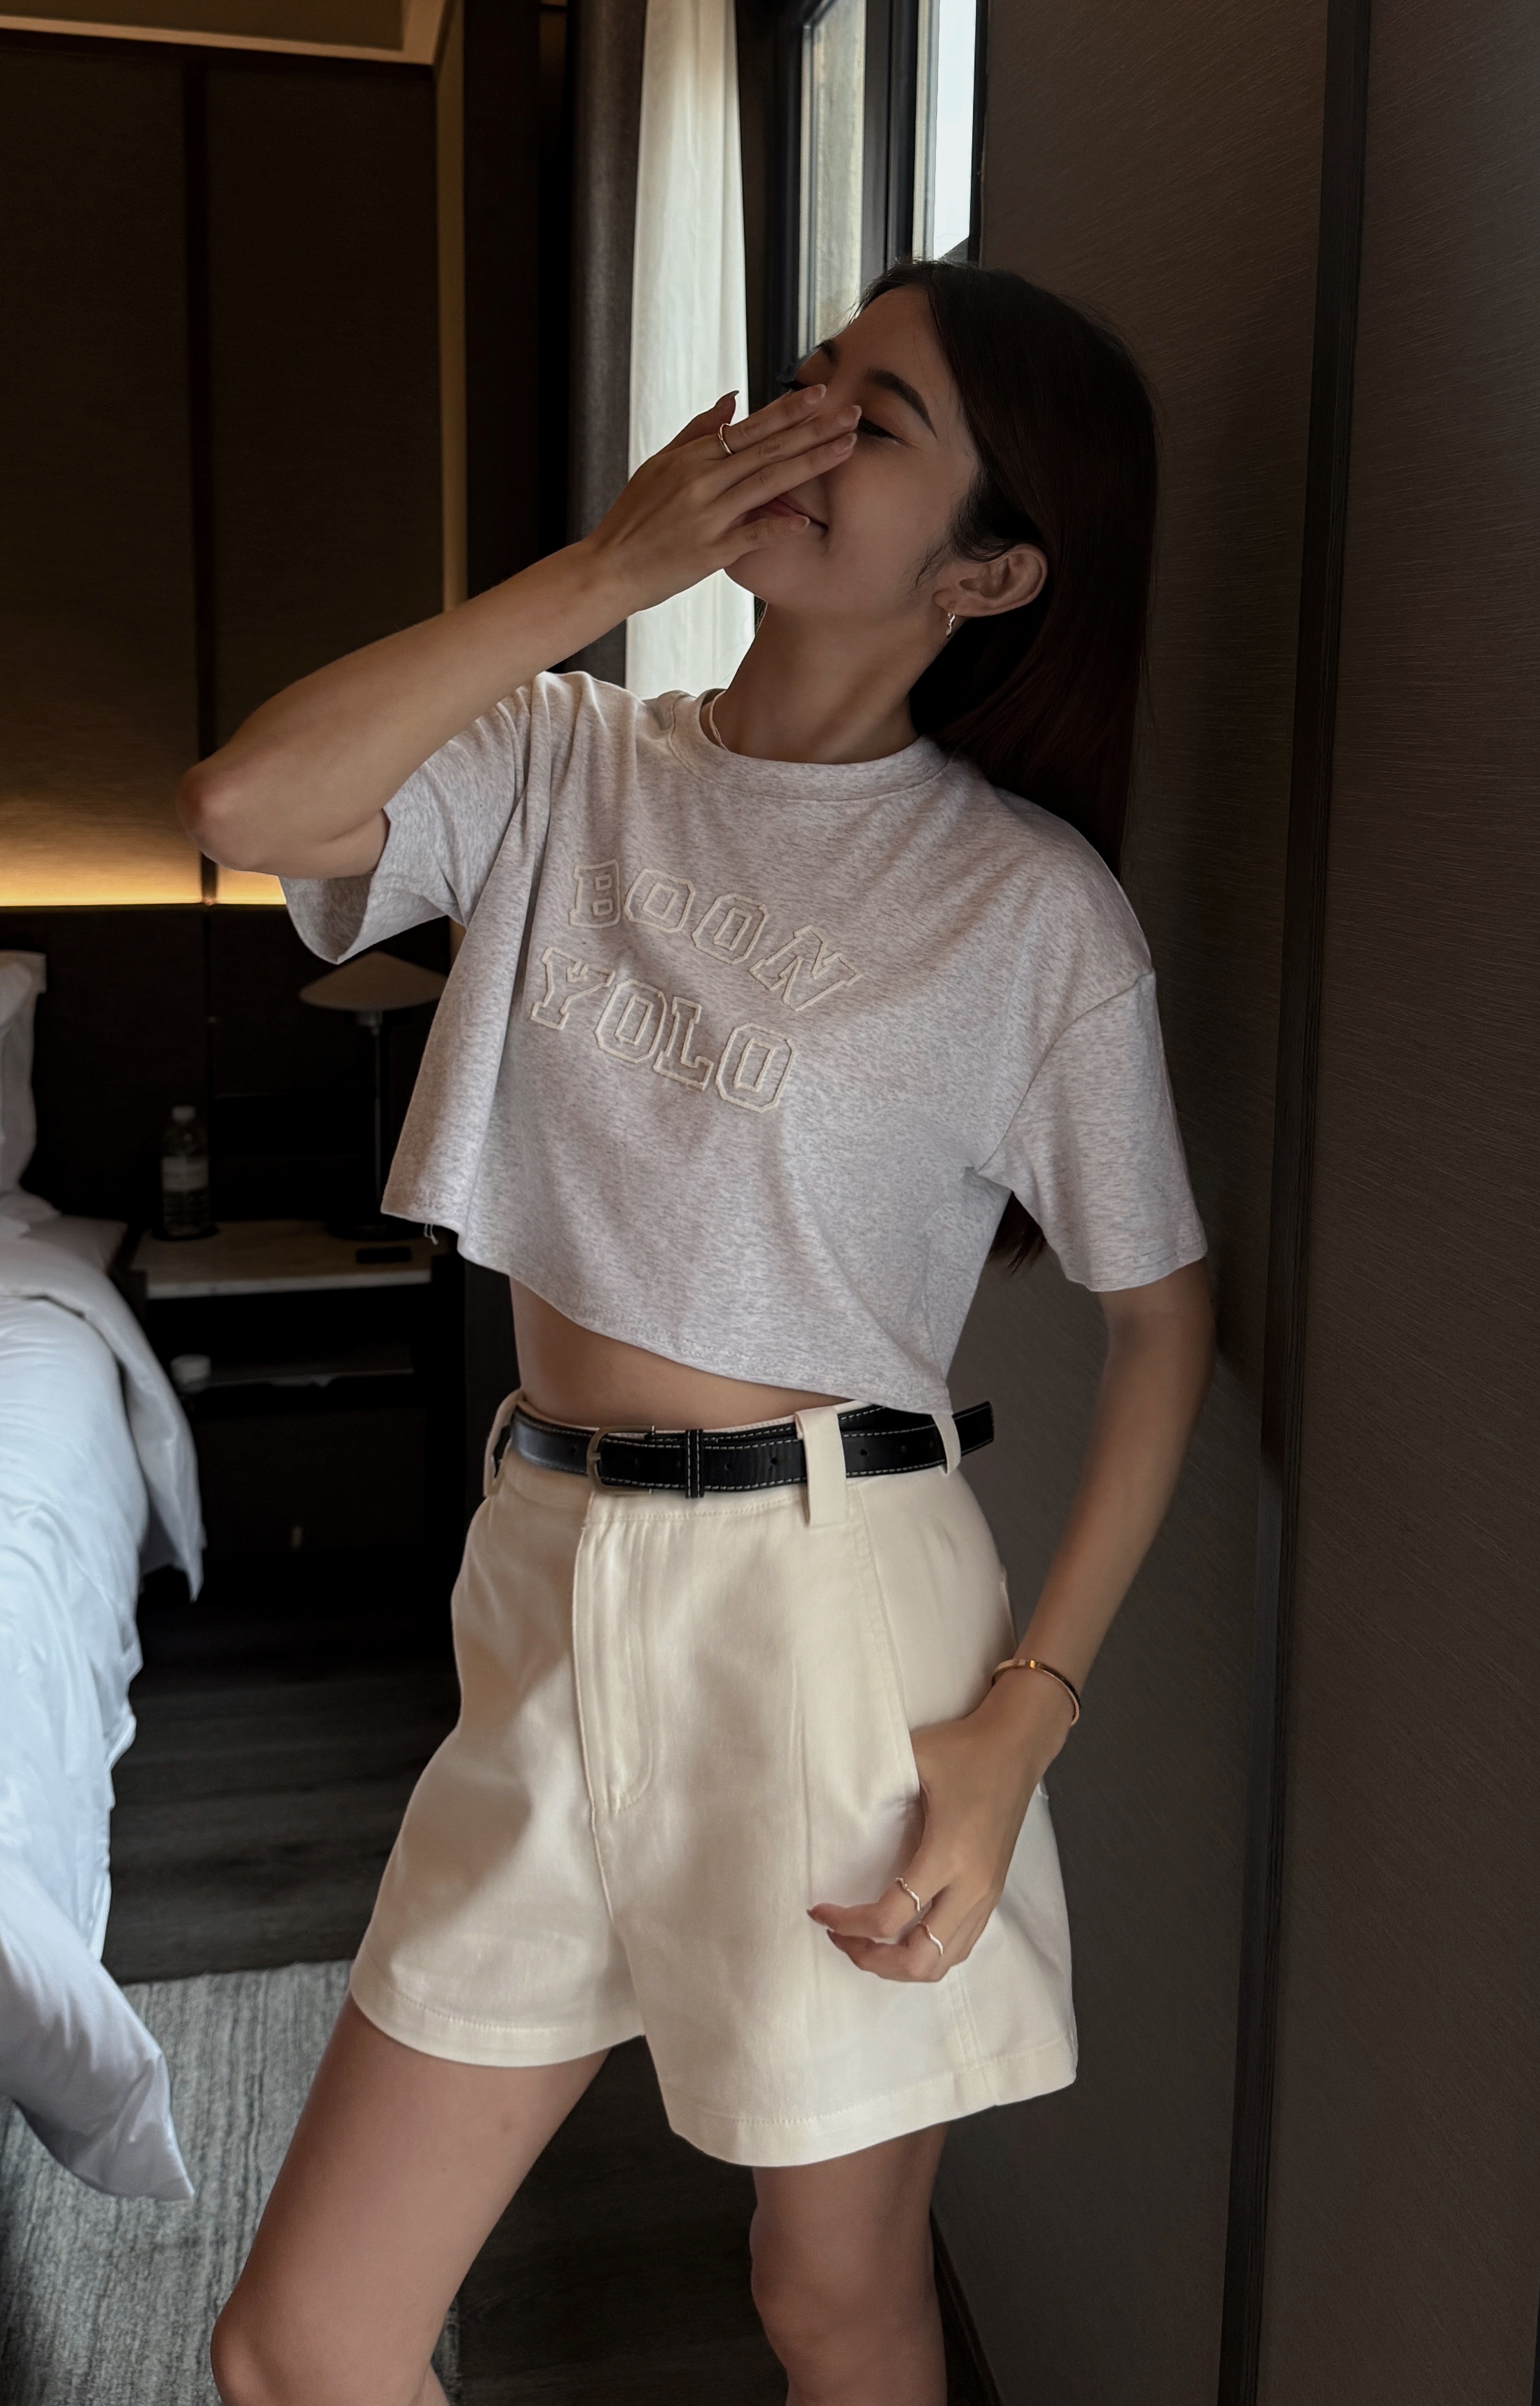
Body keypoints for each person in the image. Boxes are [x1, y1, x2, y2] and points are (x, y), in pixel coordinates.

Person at [187, 259, 1214, 2406]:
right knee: (302, 2347)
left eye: (879, 418)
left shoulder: (1030, 914)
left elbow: (1163, 1320)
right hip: (546, 1580)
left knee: (830, 2301)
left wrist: (1022, 1723)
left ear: (991, 572)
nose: (801, 430)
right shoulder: (564, 762)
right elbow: (247, 806)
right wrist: (601, 574)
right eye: (809, 380)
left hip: (831, 1623)